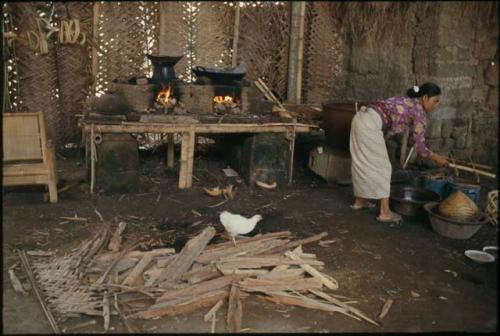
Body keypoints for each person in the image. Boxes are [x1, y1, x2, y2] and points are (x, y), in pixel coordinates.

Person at [349, 82, 449, 224]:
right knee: (384, 168)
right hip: (370, 125)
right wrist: (437, 158)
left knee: (361, 162)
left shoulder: (406, 101)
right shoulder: (419, 112)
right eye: (435, 101)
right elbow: (420, 147)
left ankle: (360, 202)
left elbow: (388, 124)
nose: (436, 105)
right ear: (425, 97)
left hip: (359, 118)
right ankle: (385, 212)